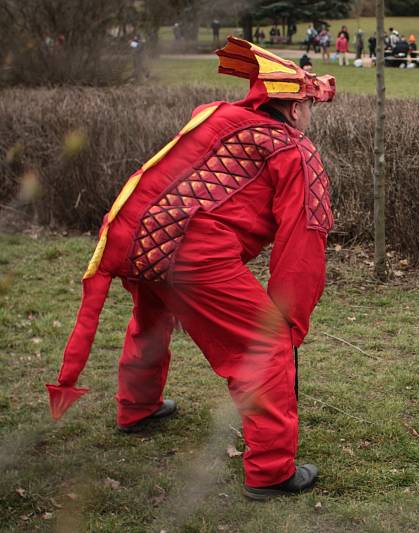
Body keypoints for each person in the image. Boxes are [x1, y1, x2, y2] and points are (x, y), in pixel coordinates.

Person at [45, 37, 336, 500]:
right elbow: (304, 238)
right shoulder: (294, 150)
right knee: (266, 347)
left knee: (151, 320)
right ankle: (272, 472)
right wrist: (289, 317)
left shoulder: (219, 117)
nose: (310, 115)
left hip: (142, 239)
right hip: (196, 254)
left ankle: (138, 407)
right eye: (309, 105)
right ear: (296, 107)